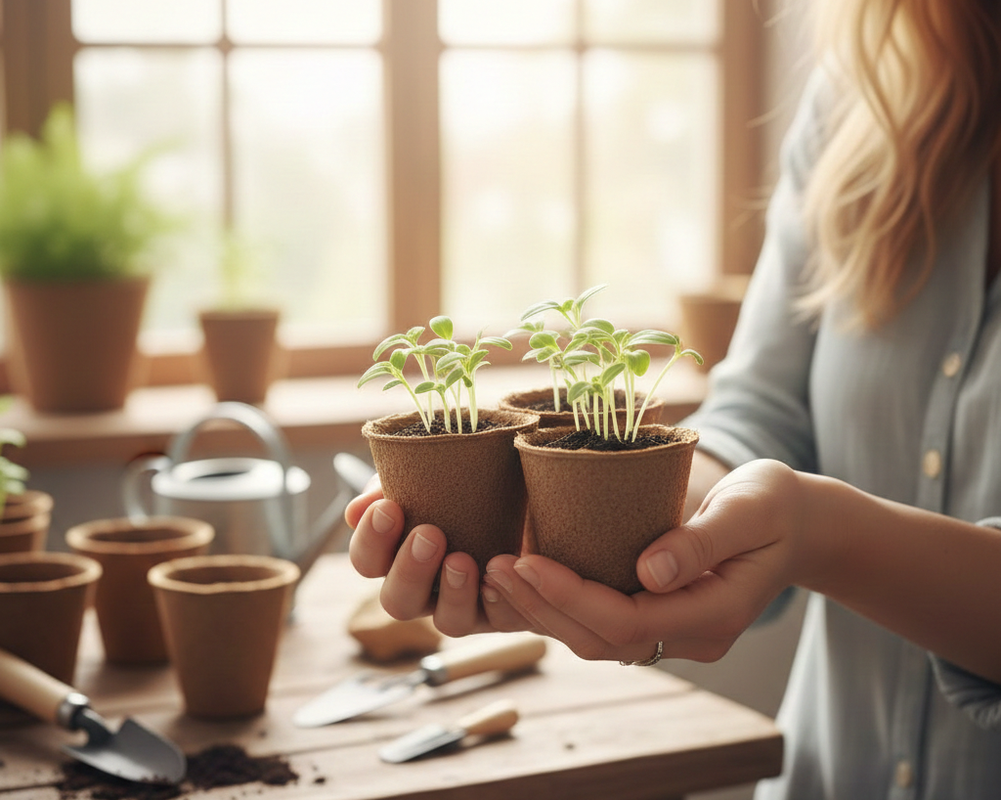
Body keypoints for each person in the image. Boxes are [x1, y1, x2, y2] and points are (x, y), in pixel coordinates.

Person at [347, 0, 1001, 796]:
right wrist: (584, 519)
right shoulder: (871, 87)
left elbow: (792, 511)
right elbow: (760, 416)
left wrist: (818, 533)